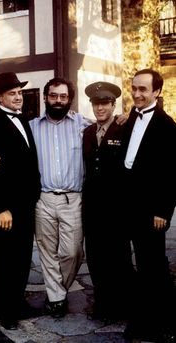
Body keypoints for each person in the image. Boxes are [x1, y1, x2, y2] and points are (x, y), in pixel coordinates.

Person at [29, 77, 126, 318]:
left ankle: (58, 289)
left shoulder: (83, 124)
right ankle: (57, 298)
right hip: (44, 198)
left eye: (63, 96)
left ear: (70, 99)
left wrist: (128, 116)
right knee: (47, 252)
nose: (58, 100)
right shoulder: (32, 127)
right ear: (45, 97)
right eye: (53, 95)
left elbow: (107, 123)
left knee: (73, 252)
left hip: (73, 199)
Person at [122, 68, 176, 342]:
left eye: (143, 89)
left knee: (153, 267)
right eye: (134, 88)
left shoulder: (167, 126)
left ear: (157, 92)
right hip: (129, 207)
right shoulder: (131, 117)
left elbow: (172, 174)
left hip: (151, 211)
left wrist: (162, 211)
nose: (137, 93)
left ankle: (159, 323)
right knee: (139, 266)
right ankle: (141, 318)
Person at [0, 72, 41, 330]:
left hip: (26, 203)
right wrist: (0, 208)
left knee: (21, 256)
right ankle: (6, 312)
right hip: (6, 208)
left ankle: (17, 302)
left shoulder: (23, 119)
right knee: (6, 259)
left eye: (19, 92)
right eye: (12, 93)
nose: (18, 97)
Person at [82, 81, 135, 323]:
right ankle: (103, 304)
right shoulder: (88, 132)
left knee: (119, 258)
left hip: (117, 209)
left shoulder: (125, 128)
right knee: (95, 258)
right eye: (96, 104)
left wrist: (130, 114)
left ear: (113, 105)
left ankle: (122, 305)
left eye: (105, 103)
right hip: (93, 209)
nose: (100, 108)